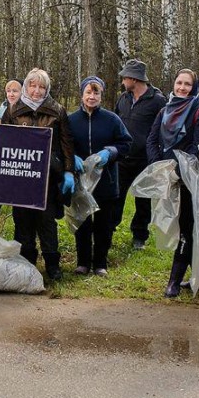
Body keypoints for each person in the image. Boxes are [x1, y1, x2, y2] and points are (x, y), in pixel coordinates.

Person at [0, 69, 76, 280]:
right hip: (20, 177)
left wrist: (68, 170)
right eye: (32, 86)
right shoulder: (13, 110)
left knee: (47, 221)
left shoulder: (57, 110)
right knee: (22, 221)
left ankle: (52, 265)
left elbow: (66, 143)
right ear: (26, 87)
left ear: (47, 89)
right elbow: (4, 140)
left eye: (41, 87)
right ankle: (26, 263)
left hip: (48, 176)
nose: (36, 91)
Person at [146, 68, 199, 297]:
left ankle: (174, 280)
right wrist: (159, 167)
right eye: (179, 83)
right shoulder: (165, 111)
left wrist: (177, 170)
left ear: (194, 88)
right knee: (179, 227)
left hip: (190, 181)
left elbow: (198, 148)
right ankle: (196, 276)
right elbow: (152, 140)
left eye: (187, 84)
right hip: (168, 179)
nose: (182, 88)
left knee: (187, 228)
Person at [67, 76, 132, 276]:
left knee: (104, 225)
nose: (92, 97)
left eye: (96, 93)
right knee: (83, 222)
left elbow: (126, 144)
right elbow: (64, 144)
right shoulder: (71, 120)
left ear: (101, 95)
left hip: (106, 181)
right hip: (80, 181)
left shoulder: (112, 120)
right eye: (88, 92)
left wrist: (110, 152)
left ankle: (100, 263)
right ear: (82, 94)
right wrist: (72, 157)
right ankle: (83, 262)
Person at [112, 59, 167, 249]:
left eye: (125, 78)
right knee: (116, 197)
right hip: (122, 159)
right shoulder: (123, 98)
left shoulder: (158, 100)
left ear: (134, 79)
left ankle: (139, 236)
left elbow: (163, 130)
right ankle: (108, 229)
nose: (122, 81)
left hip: (145, 160)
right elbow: (116, 123)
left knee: (143, 200)